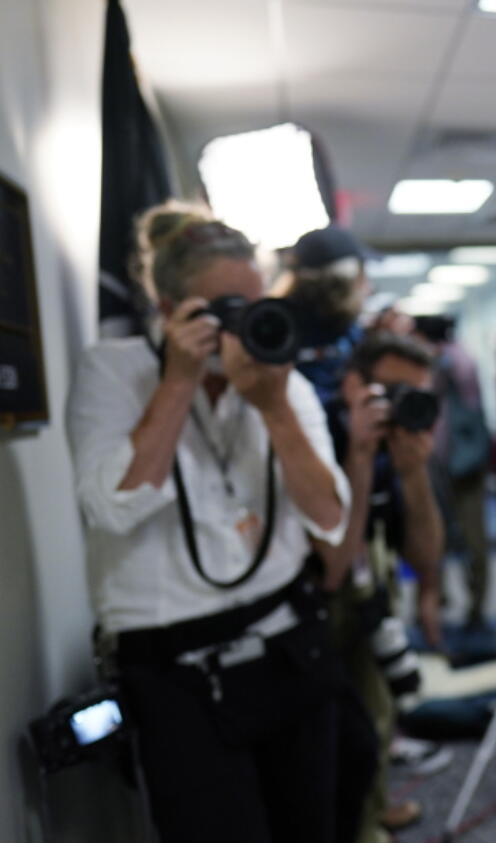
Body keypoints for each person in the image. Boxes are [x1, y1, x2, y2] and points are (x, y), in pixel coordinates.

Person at [67, 203, 366, 843]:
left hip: (288, 645)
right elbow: (110, 505)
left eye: (254, 306)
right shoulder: (112, 371)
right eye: (221, 310)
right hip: (174, 677)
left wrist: (274, 408)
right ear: (170, 307)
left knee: (314, 825)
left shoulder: (278, 379)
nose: (245, 327)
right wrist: (176, 382)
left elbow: (333, 522)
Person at [312, 332, 454, 840]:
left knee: (378, 709)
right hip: (315, 600)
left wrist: (413, 473)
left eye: (414, 394)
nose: (402, 406)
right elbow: (332, 553)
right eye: (391, 391)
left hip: (373, 587)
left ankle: (372, 811)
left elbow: (425, 554)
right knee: (329, 731)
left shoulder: (403, 442)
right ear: (353, 385)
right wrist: (360, 452)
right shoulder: (320, 428)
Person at [412, 315, 494, 628]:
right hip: (441, 463)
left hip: (464, 464)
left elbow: (468, 400)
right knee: (438, 537)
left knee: (472, 539)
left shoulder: (454, 360)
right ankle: (444, 601)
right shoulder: (452, 358)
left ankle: (476, 606)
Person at [284, 225, 376, 407]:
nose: (368, 287)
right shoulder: (284, 330)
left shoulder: (351, 332)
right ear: (343, 281)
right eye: (361, 275)